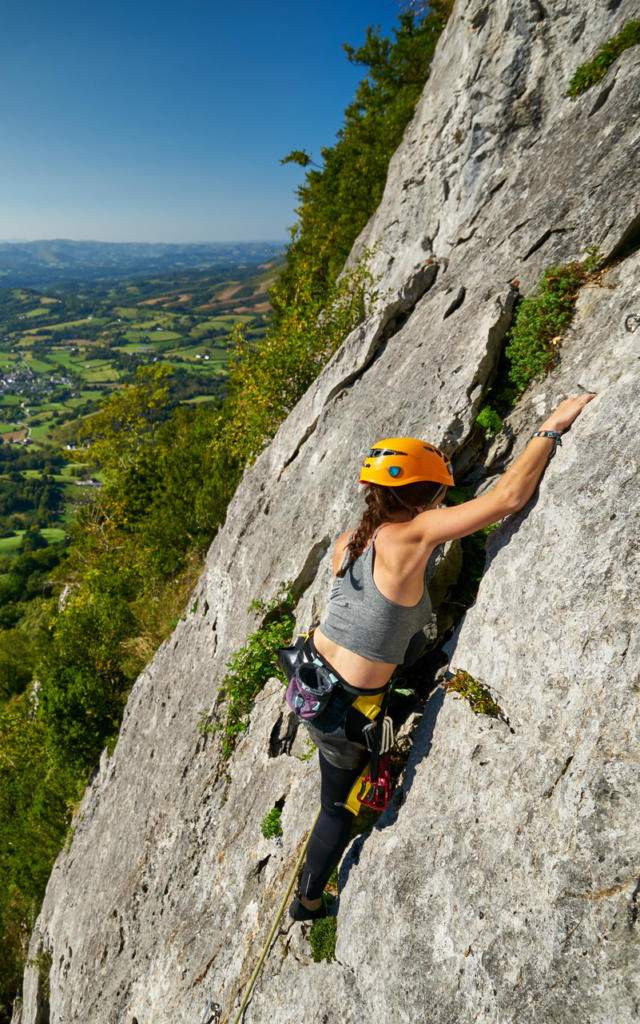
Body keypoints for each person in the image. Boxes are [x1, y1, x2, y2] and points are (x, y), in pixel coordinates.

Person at [288, 394, 595, 921]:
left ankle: (314, 887)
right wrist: (552, 425)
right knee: (336, 809)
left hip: (311, 683)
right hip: (347, 710)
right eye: (437, 494)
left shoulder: (349, 541)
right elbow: (507, 500)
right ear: (426, 496)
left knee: (340, 785)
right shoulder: (418, 533)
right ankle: (308, 902)